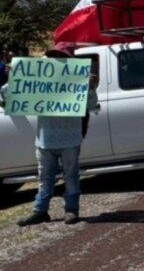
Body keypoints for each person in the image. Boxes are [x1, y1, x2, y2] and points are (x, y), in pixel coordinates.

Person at [1, 45, 98, 226]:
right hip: (45, 140)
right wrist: (15, 76)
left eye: (61, 56)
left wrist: (91, 88)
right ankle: (40, 211)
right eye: (53, 55)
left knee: (71, 176)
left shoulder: (77, 79)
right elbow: (7, 94)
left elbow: (91, 105)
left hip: (70, 139)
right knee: (45, 178)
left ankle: (71, 210)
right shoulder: (40, 77)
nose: (56, 59)